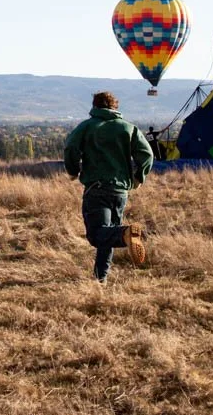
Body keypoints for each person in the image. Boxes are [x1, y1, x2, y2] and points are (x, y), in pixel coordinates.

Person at [64, 92, 155, 283]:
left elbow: (71, 147)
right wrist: (139, 177)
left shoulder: (87, 127)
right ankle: (100, 279)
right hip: (121, 191)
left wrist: (73, 171)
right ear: (115, 107)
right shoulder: (128, 128)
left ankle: (125, 234)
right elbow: (147, 154)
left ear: (94, 106)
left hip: (96, 188)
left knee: (97, 235)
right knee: (107, 234)